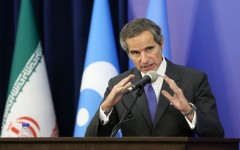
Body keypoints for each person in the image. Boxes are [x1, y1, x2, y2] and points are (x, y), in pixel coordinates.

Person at [86, 18, 224, 137]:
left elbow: (216, 133)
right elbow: (92, 140)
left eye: (149, 49)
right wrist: (106, 107)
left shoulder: (194, 79)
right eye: (135, 53)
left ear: (161, 43)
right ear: (128, 53)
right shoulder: (117, 85)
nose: (144, 59)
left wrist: (188, 111)